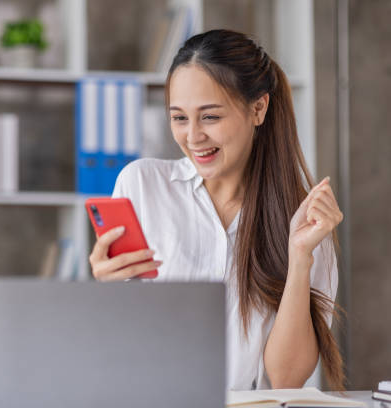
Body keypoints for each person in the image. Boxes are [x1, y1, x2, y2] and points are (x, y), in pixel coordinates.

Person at [88, 29, 344, 391]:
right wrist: (102, 290)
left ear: (258, 108)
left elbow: (286, 378)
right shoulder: (141, 186)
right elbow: (116, 347)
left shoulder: (304, 222)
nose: (193, 137)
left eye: (209, 117)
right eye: (179, 118)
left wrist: (300, 256)